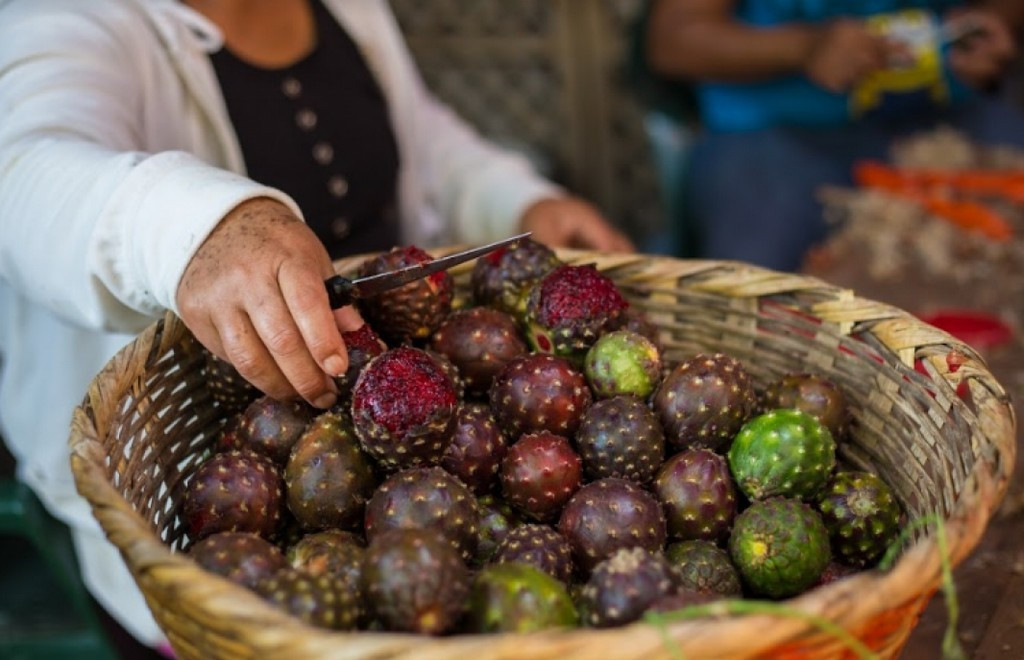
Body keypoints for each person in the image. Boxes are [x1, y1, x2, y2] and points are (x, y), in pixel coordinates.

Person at [0, 0, 633, 651]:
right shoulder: (71, 18)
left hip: (403, 379)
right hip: (196, 491)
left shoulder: (348, 7)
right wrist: (195, 228)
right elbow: (19, 170)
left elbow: (427, 141)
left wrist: (521, 199)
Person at [645, 0, 1024, 271]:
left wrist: (989, 21)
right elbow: (673, 40)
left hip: (946, 109)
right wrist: (804, 47)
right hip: (774, 125)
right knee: (748, 286)